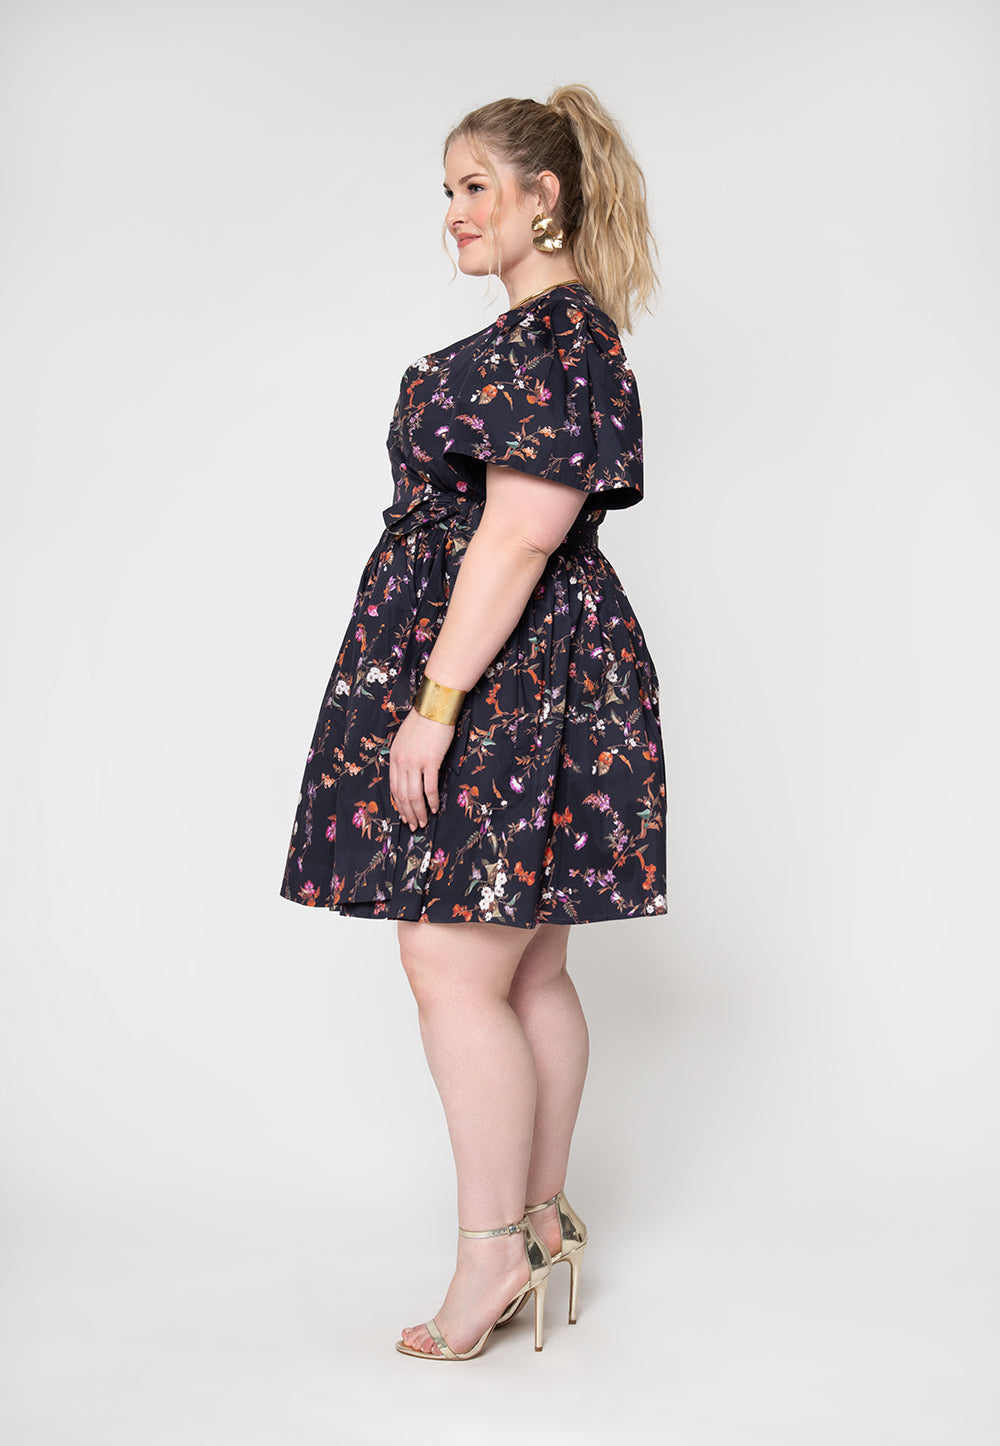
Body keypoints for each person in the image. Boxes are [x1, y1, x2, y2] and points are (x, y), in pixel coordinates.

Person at [280, 84, 667, 1361]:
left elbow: (517, 536)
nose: (452, 212)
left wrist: (434, 706)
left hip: (505, 680)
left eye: (473, 187)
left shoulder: (547, 339)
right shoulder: (555, 335)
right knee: (527, 969)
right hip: (538, 672)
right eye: (446, 190)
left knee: (452, 967)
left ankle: (491, 1254)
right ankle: (539, 1224)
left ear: (541, 197)